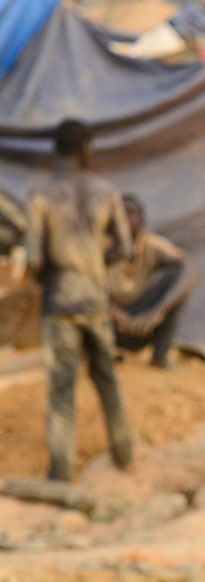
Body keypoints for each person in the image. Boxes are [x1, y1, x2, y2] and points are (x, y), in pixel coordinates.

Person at [26, 119, 133, 481]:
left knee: (61, 390)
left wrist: (50, 276)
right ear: (86, 149)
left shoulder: (41, 196)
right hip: (96, 301)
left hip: (59, 304)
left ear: (55, 150)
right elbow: (126, 246)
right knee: (107, 380)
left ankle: (60, 472)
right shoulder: (105, 190)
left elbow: (35, 260)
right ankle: (124, 454)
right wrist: (94, 265)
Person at [108, 194, 193, 369]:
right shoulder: (101, 246)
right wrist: (113, 312)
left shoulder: (151, 244)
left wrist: (158, 311)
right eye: (120, 213)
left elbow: (191, 267)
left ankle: (160, 356)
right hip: (108, 321)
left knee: (176, 277)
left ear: (142, 220)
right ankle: (102, 353)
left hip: (140, 321)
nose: (125, 219)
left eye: (131, 213)